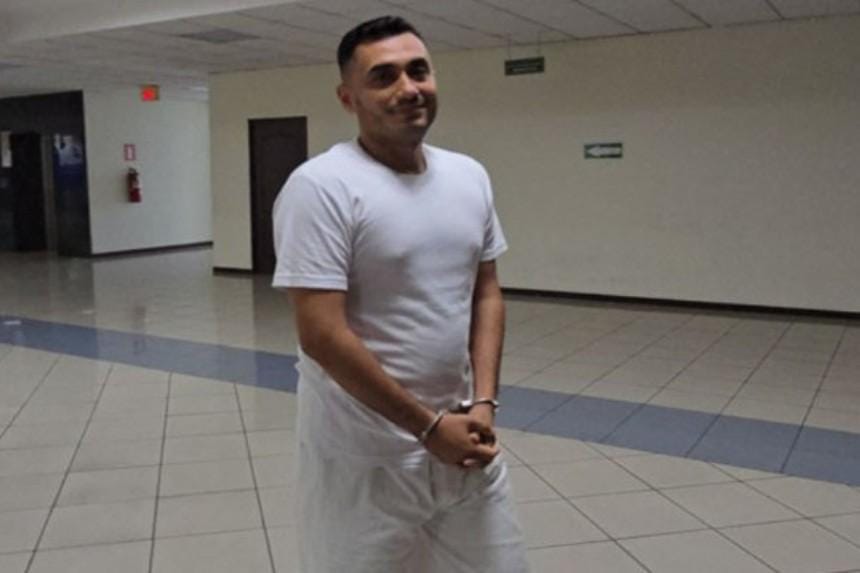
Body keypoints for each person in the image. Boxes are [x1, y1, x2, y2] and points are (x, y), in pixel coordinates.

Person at [272, 15, 528, 573]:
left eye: (418, 70)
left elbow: (486, 292)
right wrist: (427, 427)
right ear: (348, 98)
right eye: (383, 76)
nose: (408, 88)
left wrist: (483, 402)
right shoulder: (321, 187)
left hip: (463, 446)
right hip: (364, 460)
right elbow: (321, 333)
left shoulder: (468, 176)